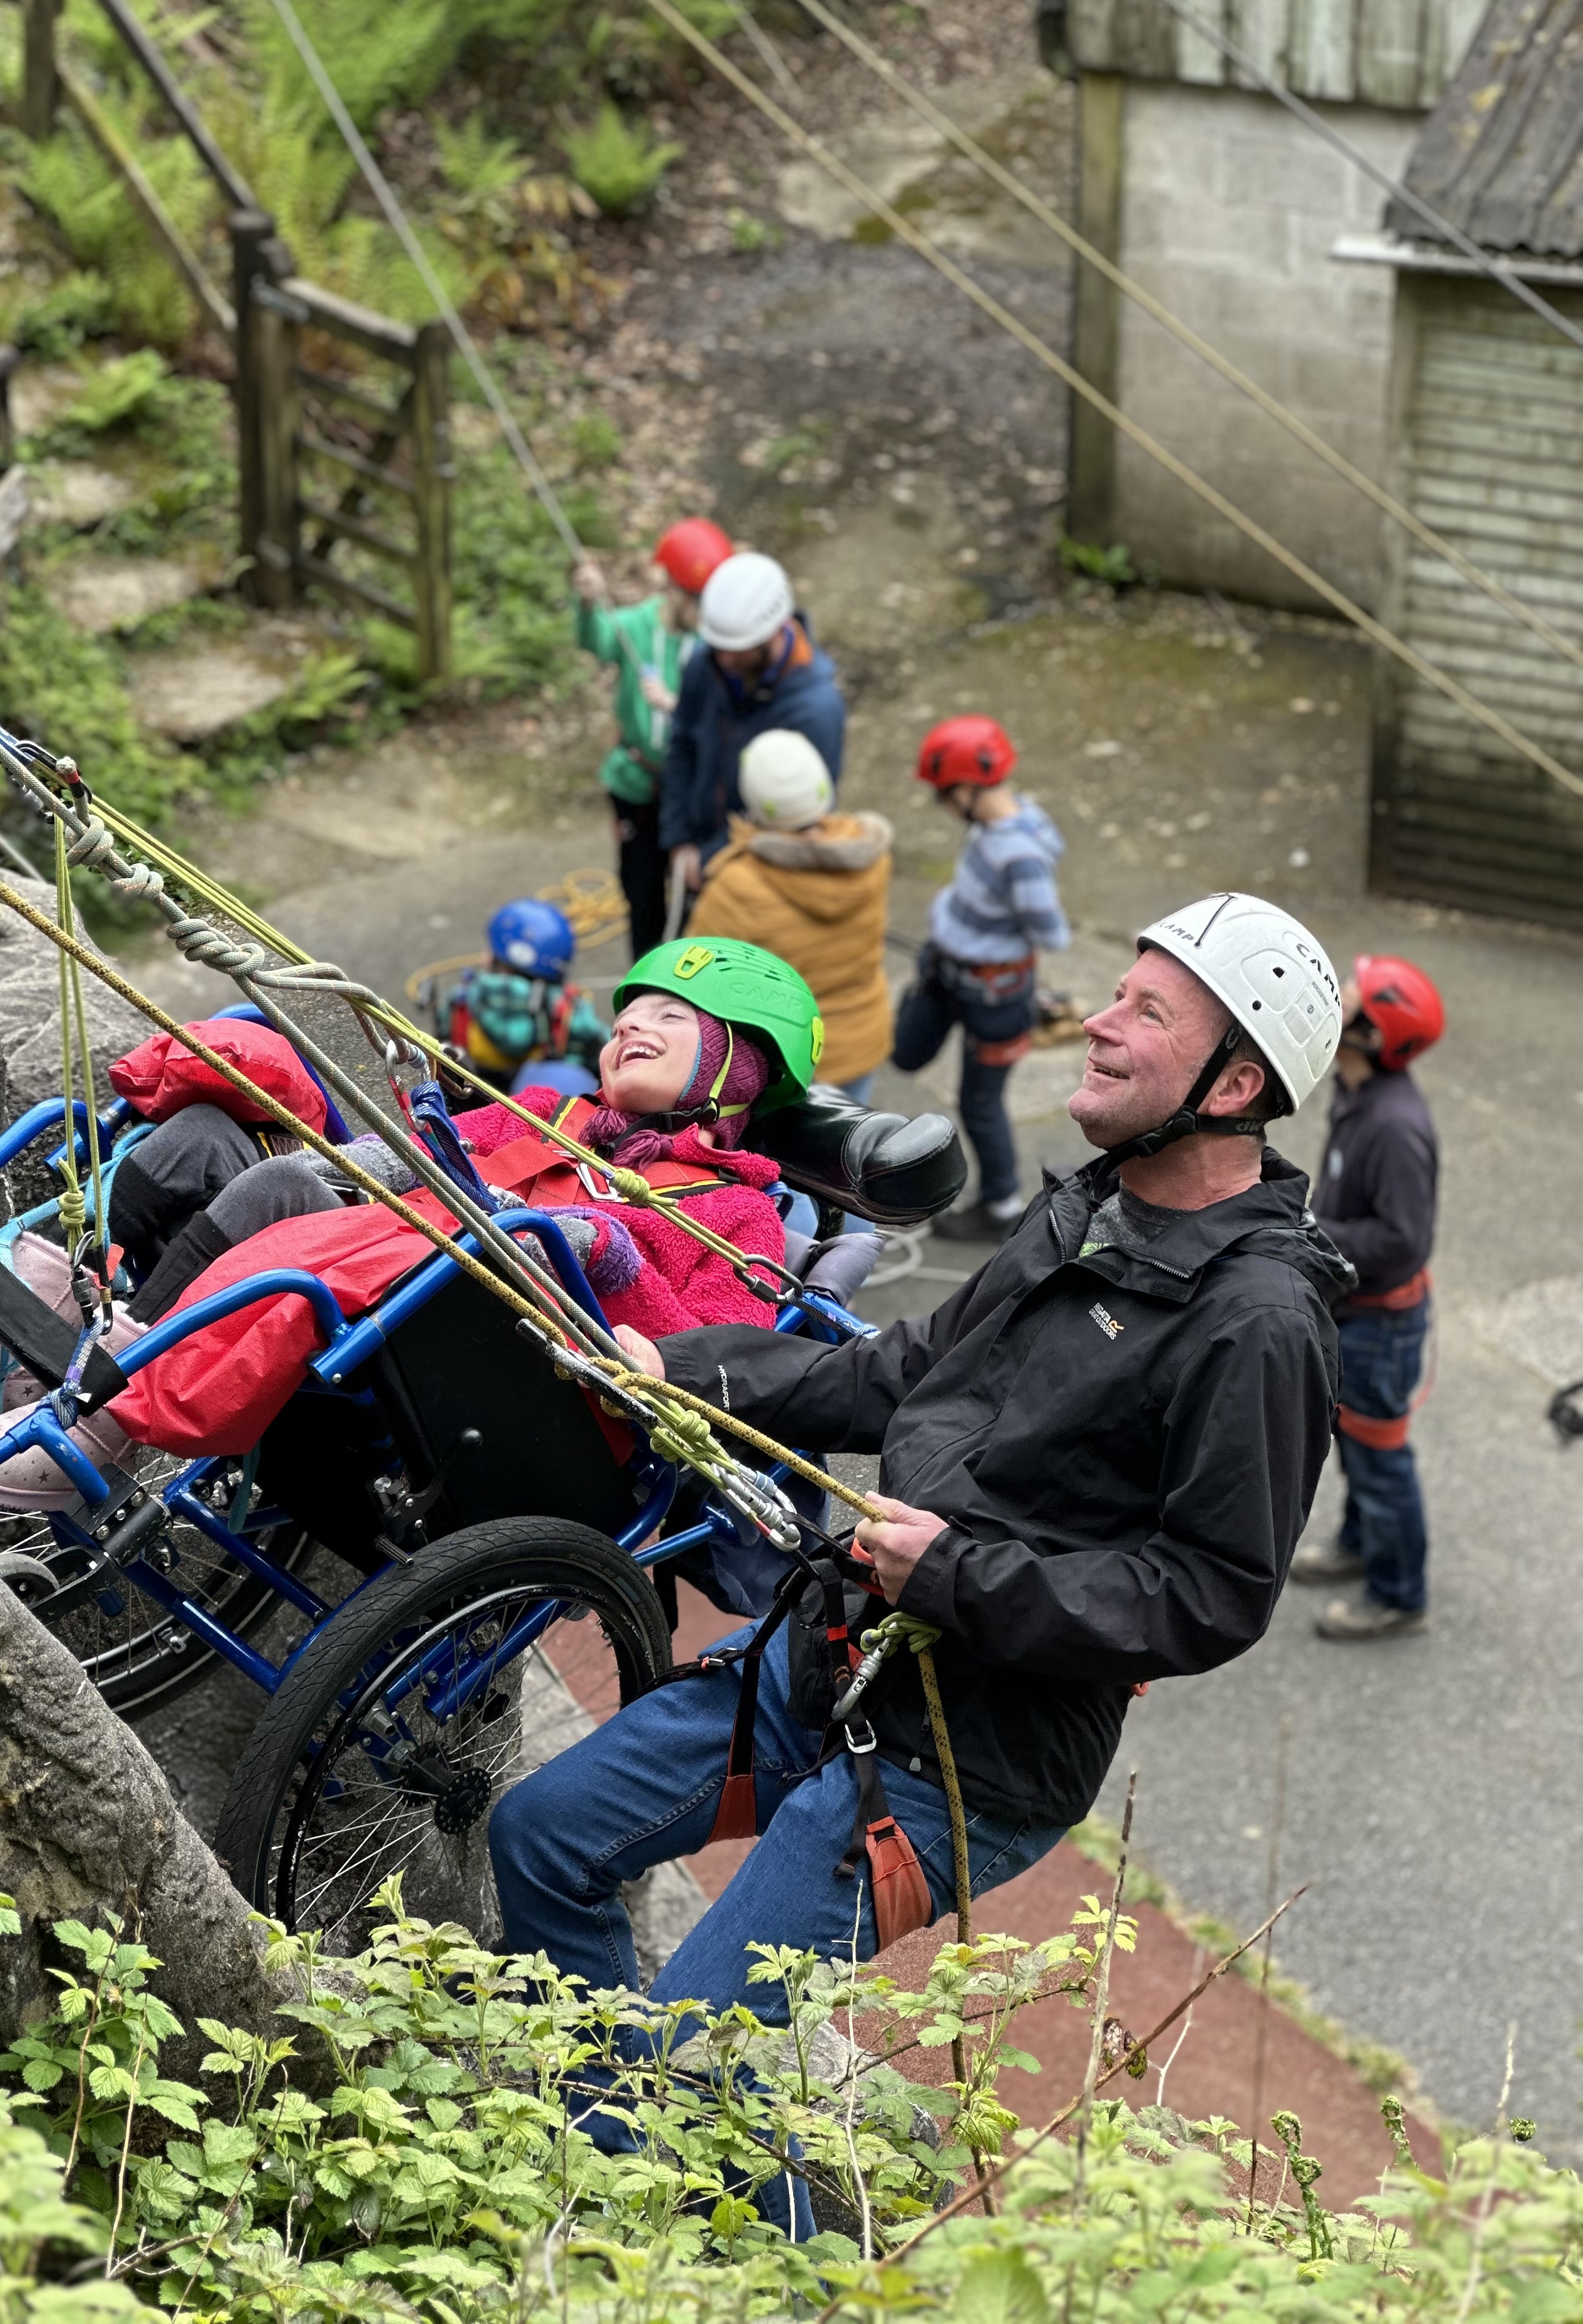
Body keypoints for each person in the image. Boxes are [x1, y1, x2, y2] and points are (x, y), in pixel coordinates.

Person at [490, 893, 1350, 2151]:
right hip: (835, 1656)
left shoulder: (1258, 1323)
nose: (1097, 1025)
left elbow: (1210, 1594)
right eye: (1117, 993)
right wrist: (691, 1368)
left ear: (1228, 1089)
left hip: (963, 1764)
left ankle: (673, 2193)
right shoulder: (1089, 1213)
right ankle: (607, 2147)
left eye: (1146, 1014)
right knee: (541, 1837)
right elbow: (908, 1372)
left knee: (685, 2066)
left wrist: (958, 1574)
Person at [0, 941, 839, 1499]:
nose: (633, 1025)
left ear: (737, 1068)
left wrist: (611, 1257)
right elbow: (414, 1159)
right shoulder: (547, 1113)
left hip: (503, 1377)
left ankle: (97, 1423)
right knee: (206, 1131)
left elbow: (715, 1363)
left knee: (292, 1204)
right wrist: (309, 1121)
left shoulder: (736, 1214)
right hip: (397, 1286)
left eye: (673, 1019)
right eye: (630, 1011)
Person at [1291, 954, 1443, 1641]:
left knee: (1381, 1460)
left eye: (1346, 998)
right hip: (1354, 1311)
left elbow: (1403, 1241)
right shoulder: (1356, 1094)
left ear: (1371, 1035)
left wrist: (1313, 1229)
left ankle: (1399, 1594)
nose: (1333, 1000)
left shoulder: (1395, 1127)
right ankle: (1359, 1546)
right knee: (1354, 1443)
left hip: (1381, 1328)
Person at [894, 714, 1069, 1243]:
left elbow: (1050, 929)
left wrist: (989, 934)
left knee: (980, 1104)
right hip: (949, 971)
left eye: (942, 795)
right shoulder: (992, 826)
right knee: (906, 1050)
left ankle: (1001, 1206)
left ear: (968, 790)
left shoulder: (1019, 855)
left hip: (994, 994)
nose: (940, 807)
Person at [686, 731, 892, 1100]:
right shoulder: (869, 855)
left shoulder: (737, 884)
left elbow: (691, 979)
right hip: (862, 1041)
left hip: (791, 1064)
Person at [575, 520, 734, 960]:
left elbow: (722, 711)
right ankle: (643, 989)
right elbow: (597, 639)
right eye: (697, 600)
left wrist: (674, 704)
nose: (705, 612)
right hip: (637, 783)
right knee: (641, 893)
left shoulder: (715, 641)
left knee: (692, 894)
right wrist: (589, 601)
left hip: (690, 789)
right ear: (673, 590)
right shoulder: (638, 626)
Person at [659, 553, 844, 920]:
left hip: (758, 878)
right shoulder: (707, 662)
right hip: (693, 851)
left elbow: (795, 816)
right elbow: (682, 743)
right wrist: (678, 839)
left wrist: (711, 859)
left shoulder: (814, 710)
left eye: (738, 650)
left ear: (773, 631)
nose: (725, 659)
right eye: (719, 646)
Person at [419, 898, 609, 1097]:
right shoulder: (568, 1011)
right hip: (540, 1108)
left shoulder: (460, 999)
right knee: (572, 1079)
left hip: (472, 1103)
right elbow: (604, 1049)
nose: (484, 958)